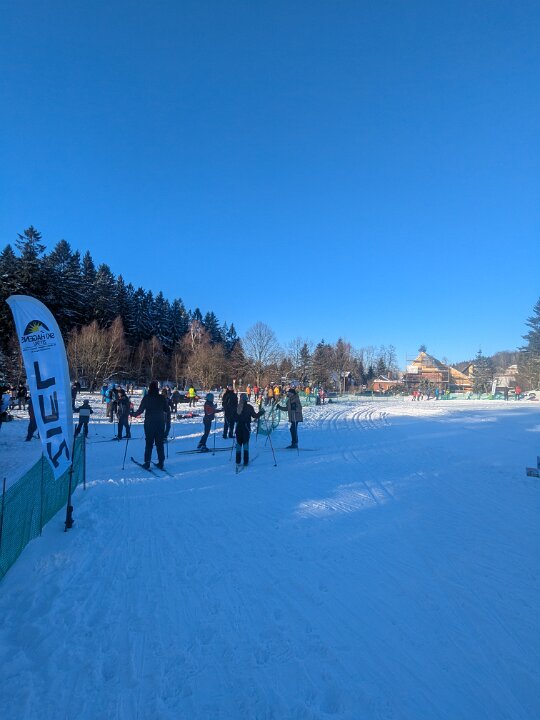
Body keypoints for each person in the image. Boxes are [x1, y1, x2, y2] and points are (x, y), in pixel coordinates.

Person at [131, 380, 169, 470]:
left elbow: (140, 410)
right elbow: (166, 409)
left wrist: (133, 414)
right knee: (160, 443)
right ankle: (161, 462)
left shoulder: (147, 397)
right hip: (160, 423)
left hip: (149, 423)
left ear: (149, 388)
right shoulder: (161, 397)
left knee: (149, 443)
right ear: (157, 388)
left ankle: (147, 462)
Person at [234, 393, 264, 466]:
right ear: (246, 399)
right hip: (246, 427)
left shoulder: (237, 407)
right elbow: (255, 416)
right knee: (245, 443)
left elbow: (234, 418)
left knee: (238, 444)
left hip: (238, 427)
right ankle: (245, 461)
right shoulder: (249, 407)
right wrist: (261, 412)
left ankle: (238, 461)